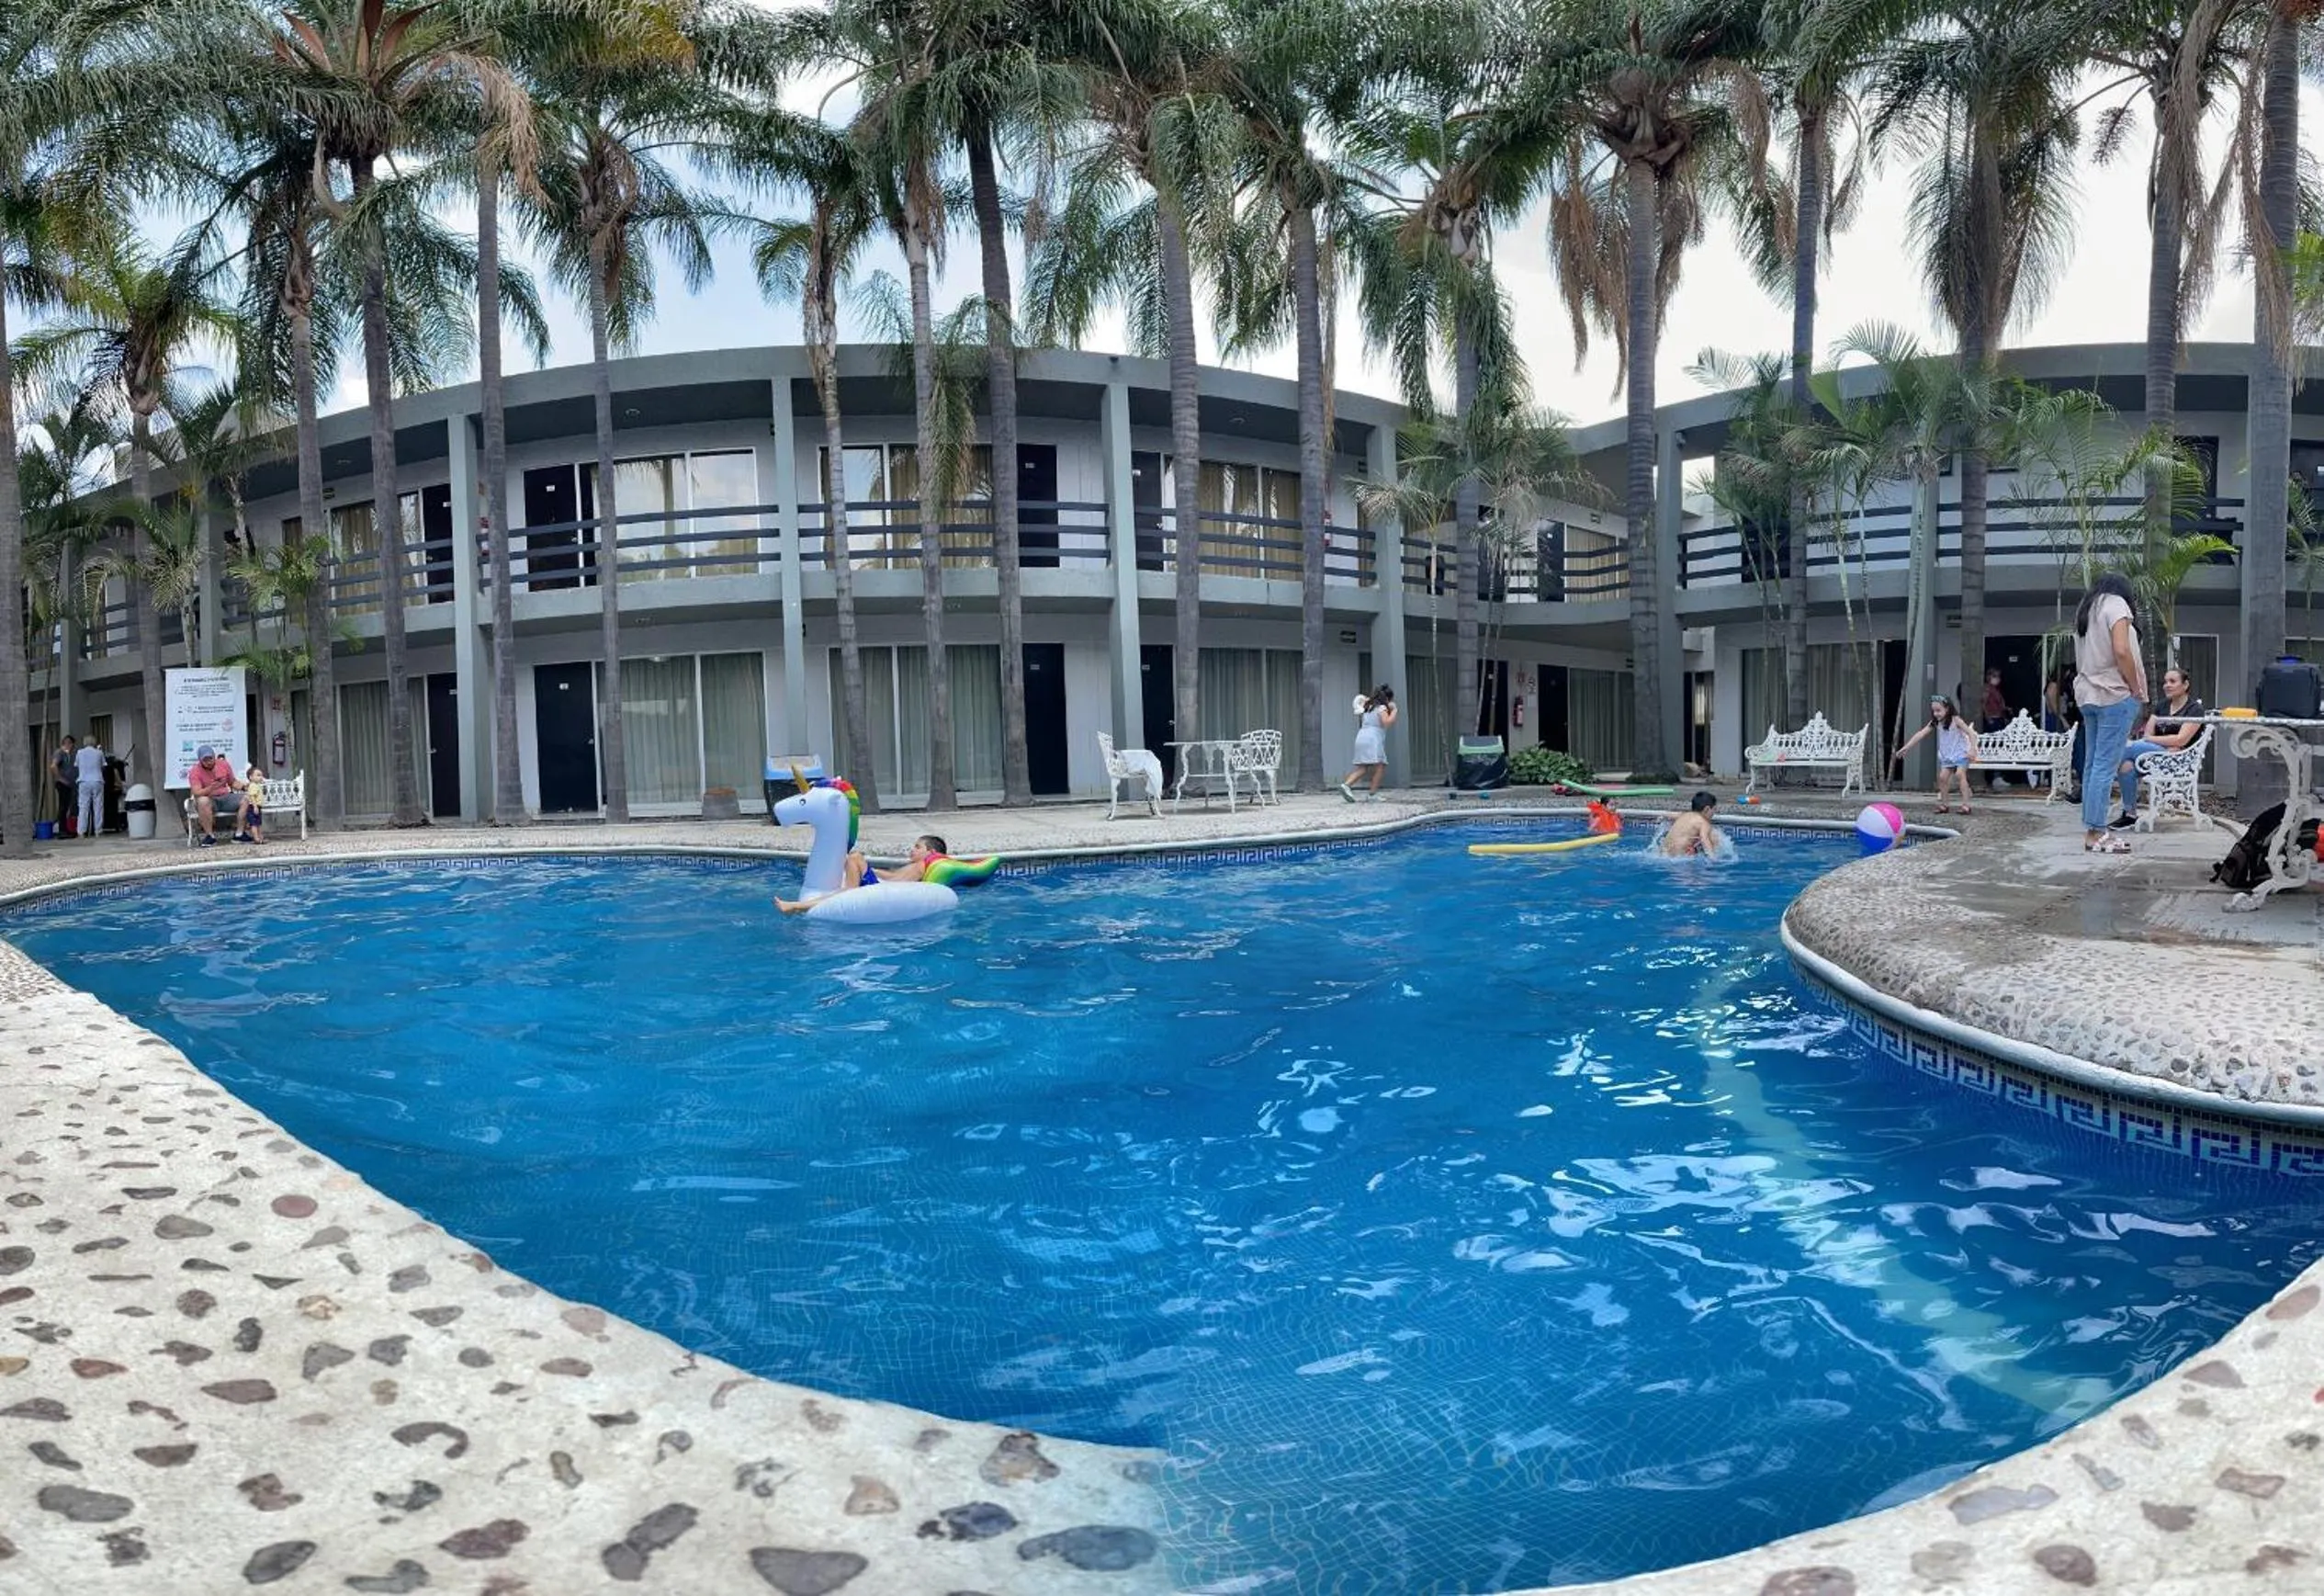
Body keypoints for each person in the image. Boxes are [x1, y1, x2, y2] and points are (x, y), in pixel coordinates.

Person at [2072, 572, 2148, 855]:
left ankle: (2092, 828)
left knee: (2093, 765)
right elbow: (2121, 650)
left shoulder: (2086, 609)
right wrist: (2134, 687)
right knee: (2105, 766)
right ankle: (2097, 833)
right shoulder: (2116, 604)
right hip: (2114, 693)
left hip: (2088, 694)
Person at [2106, 666, 2206, 830]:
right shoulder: (2162, 706)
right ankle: (2130, 814)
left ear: (2185, 685)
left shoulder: (2194, 709)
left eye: (2172, 681)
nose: (2167, 685)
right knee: (2126, 766)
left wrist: (2155, 740)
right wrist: (2164, 742)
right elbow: (2148, 732)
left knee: (2128, 748)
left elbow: (2181, 739)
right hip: (2159, 754)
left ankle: (2104, 777)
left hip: (2178, 759)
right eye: (2165, 682)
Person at [777, 833, 949, 914]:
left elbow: (896, 881)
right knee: (854, 859)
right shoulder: (914, 865)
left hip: (881, 892)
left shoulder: (920, 866)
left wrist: (868, 869)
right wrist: (871, 870)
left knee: (855, 858)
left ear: (931, 852)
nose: (912, 849)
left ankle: (795, 906)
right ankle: (796, 906)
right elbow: (893, 877)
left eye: (918, 847)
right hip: (881, 887)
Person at [1890, 695, 1980, 814]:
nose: (1936, 713)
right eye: (1934, 711)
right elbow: (1921, 734)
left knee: (1959, 774)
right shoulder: (1935, 722)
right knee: (1942, 778)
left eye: (1938, 710)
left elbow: (1971, 733)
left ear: (1947, 709)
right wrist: (1906, 747)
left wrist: (1973, 749)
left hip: (1961, 753)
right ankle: (1944, 804)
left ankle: (1966, 805)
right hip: (1947, 755)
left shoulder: (1956, 720)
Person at [1340, 685, 1397, 802]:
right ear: (1387, 698)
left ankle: (1346, 785)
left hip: (1362, 736)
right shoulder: (1381, 708)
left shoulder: (1368, 707)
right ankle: (1372, 794)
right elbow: (1386, 723)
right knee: (1380, 766)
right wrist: (1395, 711)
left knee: (1363, 767)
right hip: (1373, 739)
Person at [186, 745, 246, 848]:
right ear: (200, 760)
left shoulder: (223, 764)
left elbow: (232, 782)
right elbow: (197, 792)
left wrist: (244, 787)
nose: (209, 762)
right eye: (205, 760)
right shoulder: (194, 771)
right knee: (203, 801)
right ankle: (210, 836)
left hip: (225, 796)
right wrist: (211, 788)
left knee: (246, 799)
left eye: (210, 758)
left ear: (214, 757)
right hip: (209, 799)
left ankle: (239, 834)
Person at [1661, 791, 1725, 857]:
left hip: (1664, 854)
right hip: (1679, 857)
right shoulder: (1703, 823)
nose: (1714, 813)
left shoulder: (1684, 815)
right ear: (1707, 809)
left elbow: (1667, 816)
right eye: (1714, 809)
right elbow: (1704, 839)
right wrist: (1713, 858)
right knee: (1714, 837)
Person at [1977, 667, 2012, 788]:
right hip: (1993, 720)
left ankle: (1997, 776)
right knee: (1994, 746)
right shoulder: (1987, 689)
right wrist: (1988, 719)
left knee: (1999, 746)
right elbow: (1983, 703)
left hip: (1999, 719)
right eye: (1995, 676)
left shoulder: (1996, 690)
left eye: (1998, 676)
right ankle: (1995, 776)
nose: (1997, 679)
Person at [73, 734, 107, 841]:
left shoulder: (79, 752)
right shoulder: (99, 752)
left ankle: (81, 832)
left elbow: (77, 765)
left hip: (83, 781)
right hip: (97, 780)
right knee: (98, 806)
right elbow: (103, 765)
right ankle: (98, 830)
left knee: (83, 807)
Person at [235, 761, 267, 844]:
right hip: (253, 807)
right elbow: (252, 796)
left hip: (257, 807)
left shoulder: (256, 785)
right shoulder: (252, 786)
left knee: (258, 823)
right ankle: (256, 838)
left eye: (261, 775)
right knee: (254, 824)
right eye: (258, 775)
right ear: (251, 777)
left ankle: (260, 837)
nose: (260, 777)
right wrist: (255, 806)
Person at [51, 736, 78, 837]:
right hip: (63, 784)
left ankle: (65, 829)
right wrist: (60, 778)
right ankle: (62, 830)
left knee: (67, 806)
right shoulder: (60, 753)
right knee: (63, 806)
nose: (71, 747)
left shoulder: (69, 754)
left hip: (69, 784)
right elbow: (53, 766)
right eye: (70, 744)